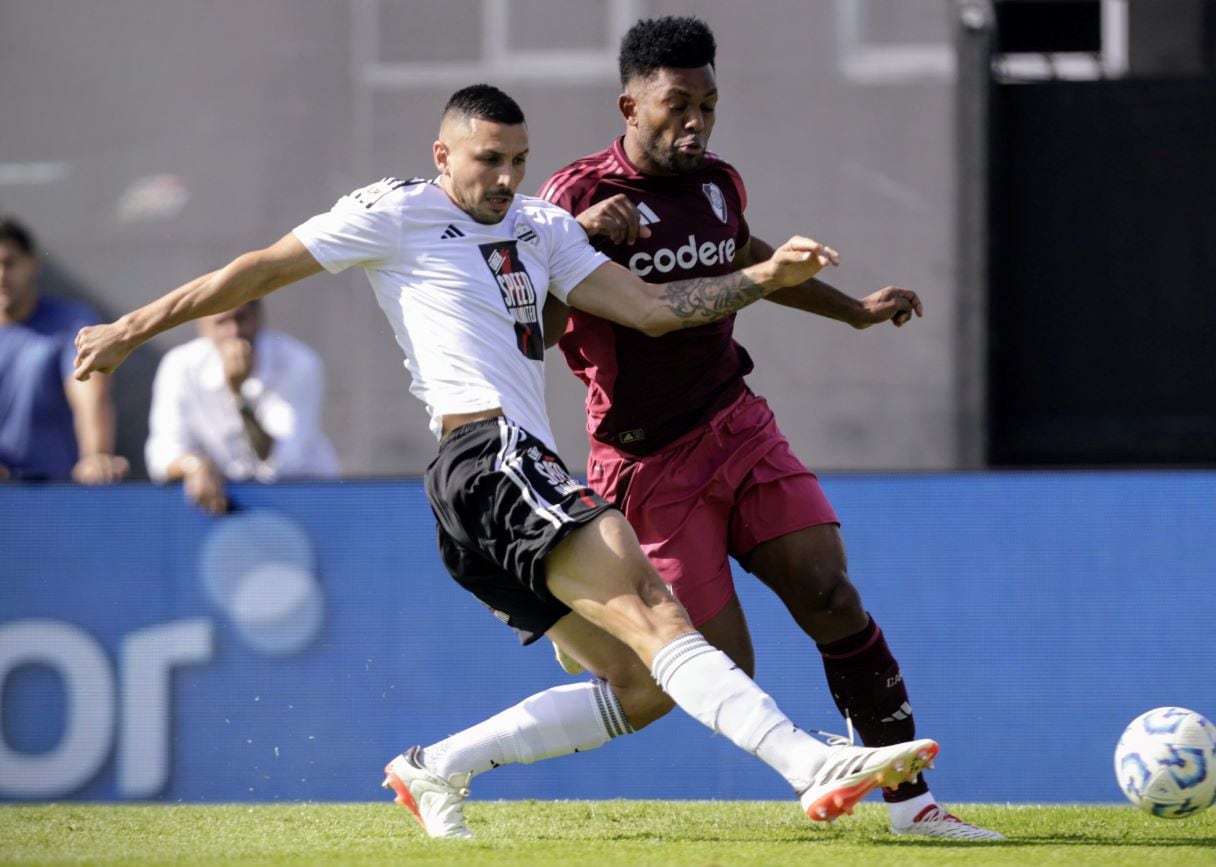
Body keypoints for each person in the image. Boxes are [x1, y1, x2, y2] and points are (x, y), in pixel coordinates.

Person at [73, 84, 941, 839]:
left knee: (639, 683)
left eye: (519, 160)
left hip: (499, 483)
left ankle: (433, 765)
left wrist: (763, 278)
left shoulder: (543, 226)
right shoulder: (398, 210)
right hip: (487, 455)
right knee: (654, 606)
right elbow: (253, 272)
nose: (505, 179)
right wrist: (126, 329)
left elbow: (649, 308)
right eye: (488, 160)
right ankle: (808, 766)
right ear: (442, 154)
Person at [538, 17, 1001, 841]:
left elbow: (740, 252)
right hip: (646, 465)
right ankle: (589, 629)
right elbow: (529, 327)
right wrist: (577, 241)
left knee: (829, 589)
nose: (697, 123)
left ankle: (913, 802)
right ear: (630, 105)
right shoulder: (572, 198)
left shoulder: (718, 183)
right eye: (677, 105)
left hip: (736, 425)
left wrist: (852, 310)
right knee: (717, 670)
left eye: (709, 105)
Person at [145, 299, 341, 514]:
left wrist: (238, 397)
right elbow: (162, 454)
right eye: (221, 322)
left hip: (302, 503)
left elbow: (283, 463)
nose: (234, 332)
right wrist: (194, 465)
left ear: (258, 318)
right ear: (201, 326)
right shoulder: (178, 366)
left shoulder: (300, 362)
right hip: (223, 509)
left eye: (241, 318)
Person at [0, 216, 128, 483]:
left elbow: (90, 396)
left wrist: (96, 455)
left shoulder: (73, 323)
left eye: (8, 263)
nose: (1, 275)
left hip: (57, 494)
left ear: (33, 263)